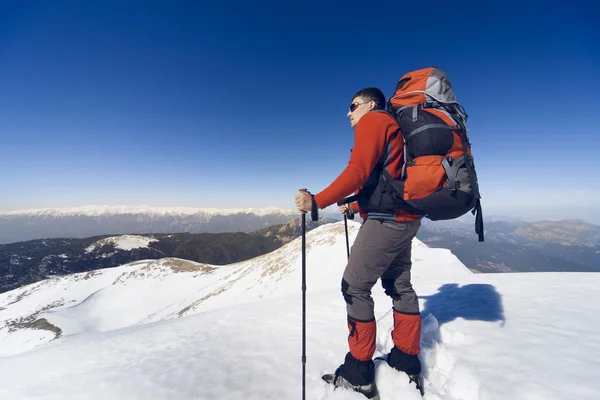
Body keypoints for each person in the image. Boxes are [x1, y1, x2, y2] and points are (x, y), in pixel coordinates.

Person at [294, 88, 424, 399]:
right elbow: (384, 180)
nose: (348, 113)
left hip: (386, 222)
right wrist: (354, 206)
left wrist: (316, 202)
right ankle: (406, 362)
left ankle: (359, 373)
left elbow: (358, 171)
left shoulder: (374, 121)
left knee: (354, 287)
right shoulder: (396, 129)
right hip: (407, 218)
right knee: (399, 285)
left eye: (352, 106)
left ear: (370, 104)